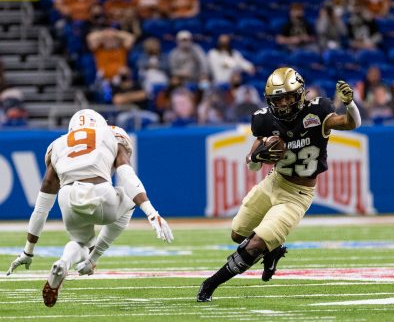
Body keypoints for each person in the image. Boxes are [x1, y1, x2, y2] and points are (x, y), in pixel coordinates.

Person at [197, 67, 362, 301]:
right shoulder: (264, 119)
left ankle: (210, 285)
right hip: (274, 181)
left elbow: (350, 123)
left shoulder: (317, 112)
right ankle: (273, 250)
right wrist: (255, 158)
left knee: (253, 245)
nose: (284, 103)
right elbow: (251, 163)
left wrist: (350, 105)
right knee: (237, 234)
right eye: (278, 99)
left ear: (300, 94)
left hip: (298, 194)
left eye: (288, 97)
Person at [6, 109, 173, 307]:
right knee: (128, 200)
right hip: (102, 194)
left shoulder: (58, 145)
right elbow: (128, 176)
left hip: (68, 198)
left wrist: (28, 251)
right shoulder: (111, 134)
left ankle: (64, 263)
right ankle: (93, 259)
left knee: (80, 241)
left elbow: (41, 208)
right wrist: (151, 213)